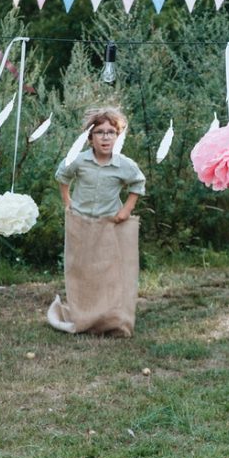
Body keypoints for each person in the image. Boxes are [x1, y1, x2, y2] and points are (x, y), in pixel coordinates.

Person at [47, 106, 146, 337]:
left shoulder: (124, 165)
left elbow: (138, 184)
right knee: (81, 270)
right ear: (90, 137)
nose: (105, 137)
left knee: (108, 272)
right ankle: (84, 316)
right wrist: (67, 201)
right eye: (99, 132)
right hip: (80, 223)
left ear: (117, 136)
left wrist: (126, 209)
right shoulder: (79, 161)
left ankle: (109, 319)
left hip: (109, 224)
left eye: (111, 132)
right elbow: (62, 176)